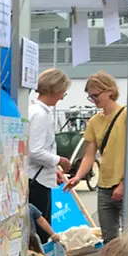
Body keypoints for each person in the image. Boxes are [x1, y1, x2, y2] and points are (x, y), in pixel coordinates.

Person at [64, 72, 128, 244]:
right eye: (90, 97)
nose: (93, 100)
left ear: (109, 91)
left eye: (96, 95)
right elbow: (89, 155)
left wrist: (124, 182)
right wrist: (77, 176)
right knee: (109, 239)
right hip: (105, 185)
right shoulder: (94, 121)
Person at [29, 69, 73, 242]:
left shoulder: (33, 110)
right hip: (36, 181)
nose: (62, 97)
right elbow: (35, 150)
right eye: (63, 92)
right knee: (41, 231)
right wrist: (59, 160)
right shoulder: (40, 115)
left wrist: (53, 168)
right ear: (55, 90)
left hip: (37, 176)